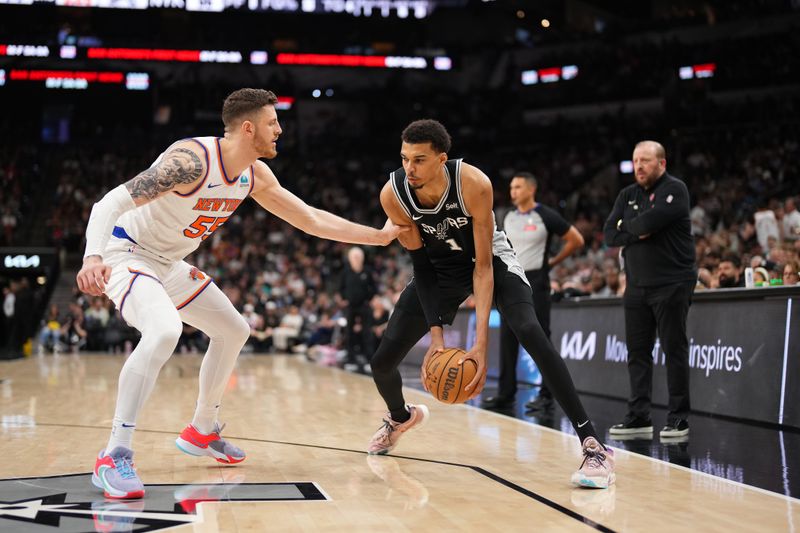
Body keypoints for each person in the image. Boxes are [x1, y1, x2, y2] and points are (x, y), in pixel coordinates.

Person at [76, 88, 406, 500]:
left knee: (233, 330)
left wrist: (378, 236)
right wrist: (92, 258)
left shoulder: (254, 174)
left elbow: (310, 218)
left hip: (169, 263)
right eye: (273, 123)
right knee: (163, 331)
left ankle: (202, 428)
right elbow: (108, 203)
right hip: (126, 253)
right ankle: (114, 453)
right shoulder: (191, 162)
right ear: (248, 128)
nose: (280, 130)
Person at [367, 119, 615, 489]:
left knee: (530, 331)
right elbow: (422, 267)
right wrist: (437, 339)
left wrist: (481, 345)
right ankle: (400, 416)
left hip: (489, 259)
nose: (410, 169)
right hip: (439, 268)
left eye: (419, 160)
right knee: (382, 362)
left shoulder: (473, 184)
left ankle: (593, 445)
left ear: (442, 159)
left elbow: (482, 269)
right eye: (404, 159)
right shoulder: (394, 194)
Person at [603, 140, 696, 440]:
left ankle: (679, 418)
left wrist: (627, 226)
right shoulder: (627, 194)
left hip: (672, 283)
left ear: (661, 163)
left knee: (674, 350)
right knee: (637, 353)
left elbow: (652, 219)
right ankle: (639, 417)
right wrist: (637, 228)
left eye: (645, 160)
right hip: (636, 287)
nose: (639, 166)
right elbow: (608, 234)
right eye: (635, 161)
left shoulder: (674, 189)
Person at [480, 172, 584, 412]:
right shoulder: (506, 216)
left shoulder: (545, 214)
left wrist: (552, 262)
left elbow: (576, 239)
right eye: (511, 187)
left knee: (540, 338)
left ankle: (546, 395)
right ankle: (506, 394)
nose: (513, 191)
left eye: (517, 187)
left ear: (530, 189)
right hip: (510, 279)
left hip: (536, 280)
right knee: (507, 338)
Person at [338, 246, 377, 369]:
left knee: (367, 332)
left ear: (362, 258)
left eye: (358, 256)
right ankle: (351, 360)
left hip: (364, 306)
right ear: (350, 258)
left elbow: (374, 288)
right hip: (350, 306)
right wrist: (343, 299)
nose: (356, 258)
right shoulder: (345, 272)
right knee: (349, 333)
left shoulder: (367, 271)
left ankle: (368, 360)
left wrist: (370, 300)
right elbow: (340, 288)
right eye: (354, 256)